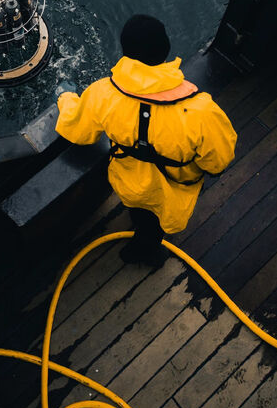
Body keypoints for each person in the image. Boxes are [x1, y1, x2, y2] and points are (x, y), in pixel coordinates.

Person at [55, 14, 237, 266]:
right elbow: (218, 163)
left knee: (140, 214)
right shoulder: (202, 111)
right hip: (173, 192)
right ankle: (145, 253)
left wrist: (65, 97)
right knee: (154, 227)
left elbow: (76, 129)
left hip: (129, 184)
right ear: (166, 48)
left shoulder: (102, 93)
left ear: (126, 52)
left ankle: (141, 241)